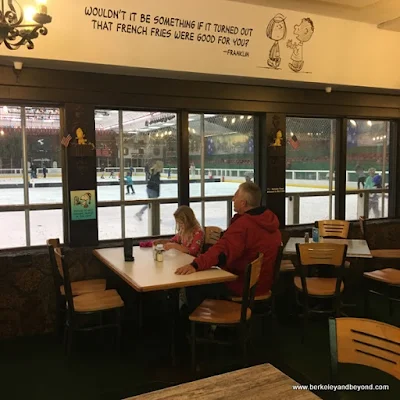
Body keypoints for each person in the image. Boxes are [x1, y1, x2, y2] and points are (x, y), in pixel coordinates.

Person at [175, 182, 282, 312]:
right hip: (262, 283)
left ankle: (198, 326)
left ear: (243, 203)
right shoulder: (271, 223)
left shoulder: (244, 225)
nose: (233, 199)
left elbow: (222, 252)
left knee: (194, 285)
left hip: (241, 284)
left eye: (236, 196)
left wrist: (195, 265)